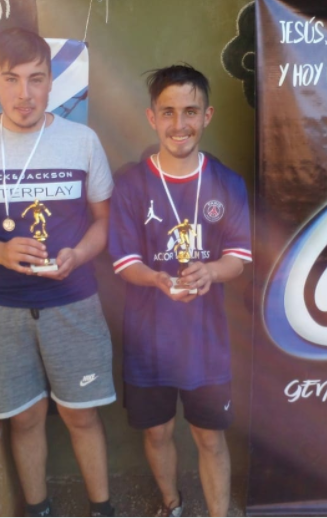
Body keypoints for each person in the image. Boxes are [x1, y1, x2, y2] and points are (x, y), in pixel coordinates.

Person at [0, 27, 115, 517]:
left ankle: (102, 509)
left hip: (73, 301)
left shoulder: (81, 141)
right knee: (25, 418)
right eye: (11, 79)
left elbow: (104, 222)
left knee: (82, 416)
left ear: (51, 81)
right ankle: (38, 509)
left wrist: (79, 254)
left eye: (36, 78)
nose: (24, 93)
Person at [108, 64, 252, 517]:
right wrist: (156, 278)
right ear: (152, 117)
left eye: (190, 111)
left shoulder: (227, 183)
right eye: (168, 112)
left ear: (207, 115)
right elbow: (124, 261)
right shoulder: (131, 183)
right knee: (157, 432)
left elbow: (238, 258)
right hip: (148, 339)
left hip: (205, 342)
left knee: (210, 437)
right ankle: (171, 505)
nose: (179, 124)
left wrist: (211, 272)